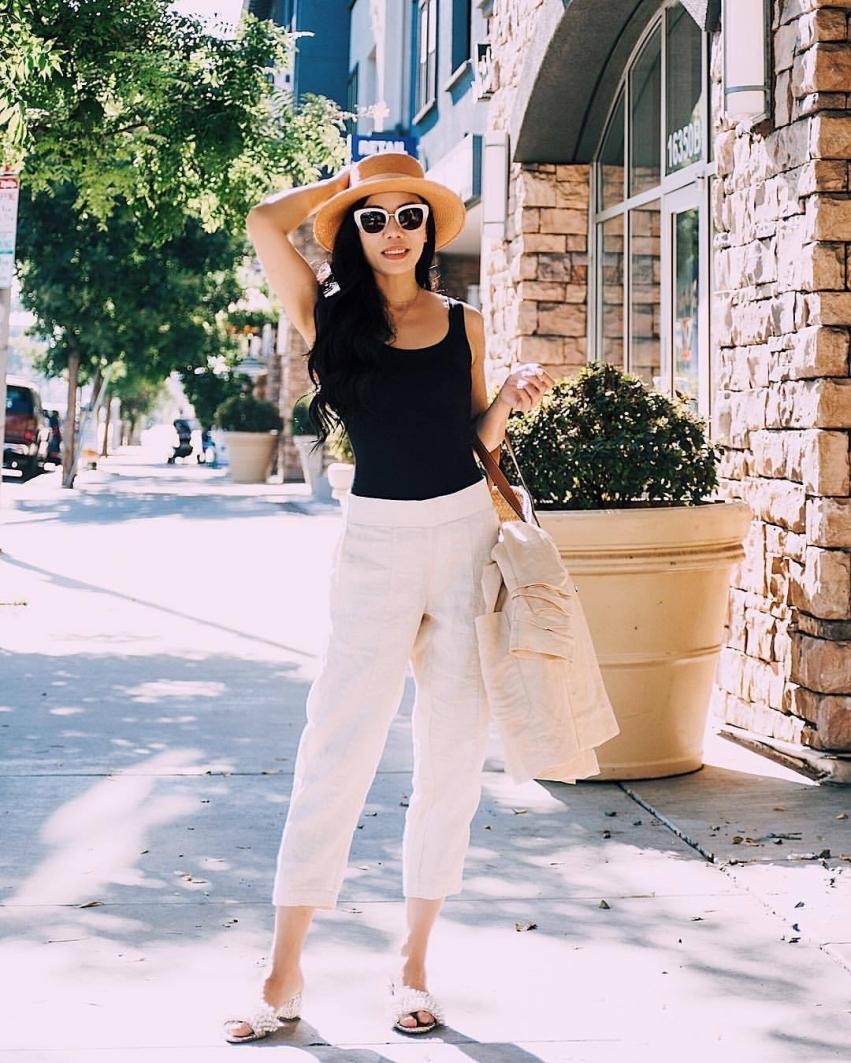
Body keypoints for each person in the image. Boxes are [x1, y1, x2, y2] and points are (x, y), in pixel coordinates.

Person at [225, 153, 554, 1044]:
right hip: (374, 542)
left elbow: (475, 438)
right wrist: (345, 190)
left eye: (411, 215)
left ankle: (412, 964)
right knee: (335, 745)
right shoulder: (327, 315)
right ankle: (283, 970)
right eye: (375, 220)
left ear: (430, 229)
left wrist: (506, 400)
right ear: (353, 231)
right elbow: (263, 221)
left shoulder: (464, 321)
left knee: (451, 751)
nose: (395, 231)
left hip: (462, 536)